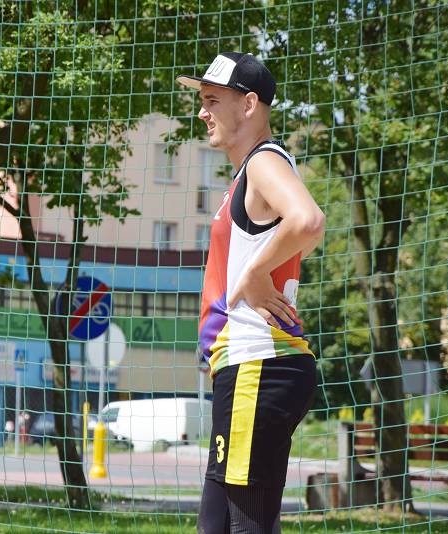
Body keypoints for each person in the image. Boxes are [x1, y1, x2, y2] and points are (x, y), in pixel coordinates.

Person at [177, 52, 325, 533]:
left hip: (258, 367)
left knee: (245, 527)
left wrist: (255, 273)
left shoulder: (263, 161)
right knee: (216, 526)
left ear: (249, 104)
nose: (202, 112)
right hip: (247, 369)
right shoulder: (249, 173)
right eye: (202, 101)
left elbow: (309, 221)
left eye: (212, 100)